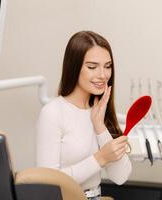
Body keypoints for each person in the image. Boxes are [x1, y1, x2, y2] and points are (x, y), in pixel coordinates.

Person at [36, 31, 132, 200]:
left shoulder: (100, 112)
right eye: (92, 67)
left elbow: (121, 176)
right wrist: (99, 158)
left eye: (107, 66)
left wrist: (100, 127)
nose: (103, 75)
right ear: (74, 67)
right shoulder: (53, 113)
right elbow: (48, 183)